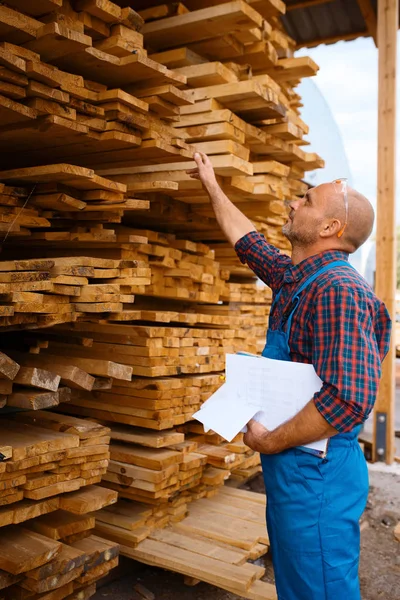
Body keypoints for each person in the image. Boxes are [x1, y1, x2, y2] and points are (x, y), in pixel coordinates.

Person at [187, 152, 392, 600]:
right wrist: (212, 185)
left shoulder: (338, 291)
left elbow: (349, 400)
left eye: (307, 200)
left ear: (330, 228)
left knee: (319, 588)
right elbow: (249, 242)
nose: (293, 203)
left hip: (316, 477)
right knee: (299, 585)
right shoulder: (298, 279)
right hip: (294, 472)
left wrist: (270, 440)